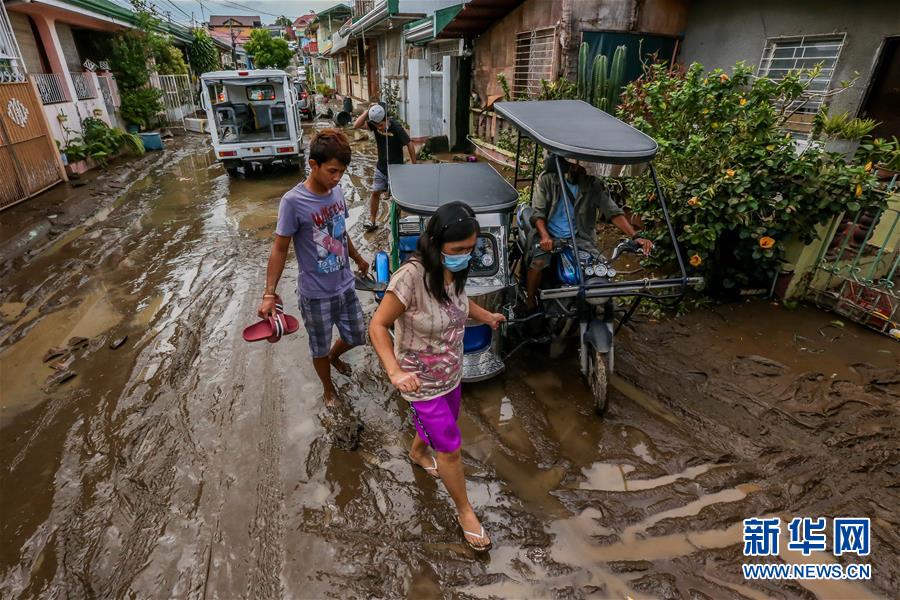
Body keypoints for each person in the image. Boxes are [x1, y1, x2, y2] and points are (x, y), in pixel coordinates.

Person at [369, 202, 505, 552]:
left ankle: (416, 453)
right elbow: (378, 325)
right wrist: (395, 371)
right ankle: (465, 512)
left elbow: (459, 302)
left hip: (451, 374)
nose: (465, 257)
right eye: (458, 250)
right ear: (435, 243)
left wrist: (486, 315)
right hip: (419, 382)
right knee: (450, 448)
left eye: (471, 250)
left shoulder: (454, 272)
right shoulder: (409, 278)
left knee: (438, 430)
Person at [259, 129, 370, 407]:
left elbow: (341, 233)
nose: (337, 178)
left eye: (342, 172)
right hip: (315, 294)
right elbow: (280, 248)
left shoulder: (337, 193)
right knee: (318, 347)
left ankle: (335, 357)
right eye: (332, 171)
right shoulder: (292, 201)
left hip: (345, 285)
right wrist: (269, 293)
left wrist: (357, 258)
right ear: (313, 165)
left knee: (357, 334)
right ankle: (328, 389)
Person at [525, 157, 654, 310]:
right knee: (539, 262)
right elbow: (538, 214)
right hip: (548, 234)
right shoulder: (547, 180)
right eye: (573, 163)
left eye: (581, 164)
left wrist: (635, 236)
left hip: (580, 237)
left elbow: (612, 212)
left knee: (600, 267)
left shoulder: (593, 185)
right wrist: (545, 237)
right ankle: (530, 300)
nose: (577, 167)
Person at [353, 103, 417, 231]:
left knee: (397, 198)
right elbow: (356, 125)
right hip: (381, 167)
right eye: (376, 126)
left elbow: (409, 144)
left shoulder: (397, 128)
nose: (379, 128)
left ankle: (397, 222)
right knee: (375, 192)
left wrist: (414, 165)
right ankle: (372, 220)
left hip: (396, 170)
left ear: (386, 119)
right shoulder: (375, 123)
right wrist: (367, 111)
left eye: (381, 125)